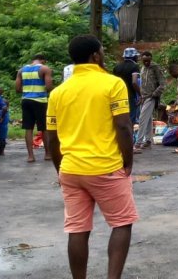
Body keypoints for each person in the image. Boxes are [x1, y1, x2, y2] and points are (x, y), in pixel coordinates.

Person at [47, 34, 137, 279]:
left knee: (77, 230)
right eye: (102, 52)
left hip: (71, 169)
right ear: (95, 56)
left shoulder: (58, 92)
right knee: (121, 223)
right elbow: (123, 126)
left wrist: (60, 167)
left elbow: (52, 138)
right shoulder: (112, 83)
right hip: (105, 166)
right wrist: (128, 160)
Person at [16, 53, 53, 163]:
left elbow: (17, 88)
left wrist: (29, 91)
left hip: (26, 100)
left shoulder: (21, 70)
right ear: (43, 60)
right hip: (40, 101)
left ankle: (31, 156)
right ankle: (47, 154)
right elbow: (49, 86)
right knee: (44, 128)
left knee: (28, 128)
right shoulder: (44, 69)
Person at [135, 51, 166, 151]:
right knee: (147, 120)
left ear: (151, 59)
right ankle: (148, 141)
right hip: (143, 97)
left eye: (148, 61)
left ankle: (138, 143)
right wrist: (140, 96)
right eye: (144, 61)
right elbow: (142, 84)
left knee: (142, 119)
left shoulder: (155, 68)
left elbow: (162, 84)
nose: (146, 63)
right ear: (142, 60)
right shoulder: (143, 68)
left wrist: (154, 94)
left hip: (151, 97)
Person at [112, 48, 141, 130]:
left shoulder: (117, 67)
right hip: (130, 95)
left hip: (117, 95)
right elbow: (134, 82)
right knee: (131, 118)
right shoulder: (134, 66)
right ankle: (130, 138)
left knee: (120, 117)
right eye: (136, 56)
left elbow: (113, 82)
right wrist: (140, 94)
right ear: (134, 57)